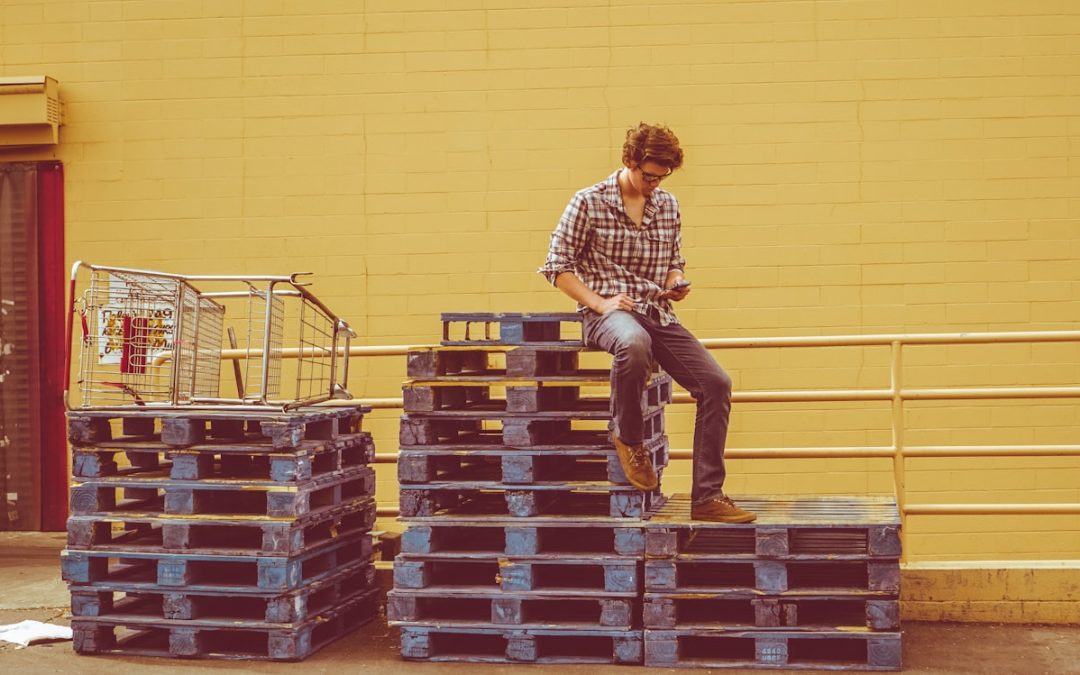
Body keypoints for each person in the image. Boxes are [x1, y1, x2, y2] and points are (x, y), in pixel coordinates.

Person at [538, 122, 756, 523]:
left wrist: (675, 281)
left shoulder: (668, 205)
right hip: (610, 313)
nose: (654, 183)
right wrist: (600, 303)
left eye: (662, 176)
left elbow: (674, 260)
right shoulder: (587, 202)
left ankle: (707, 497)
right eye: (648, 175)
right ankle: (630, 439)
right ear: (628, 162)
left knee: (716, 383)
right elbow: (556, 267)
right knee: (634, 343)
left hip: (657, 310)